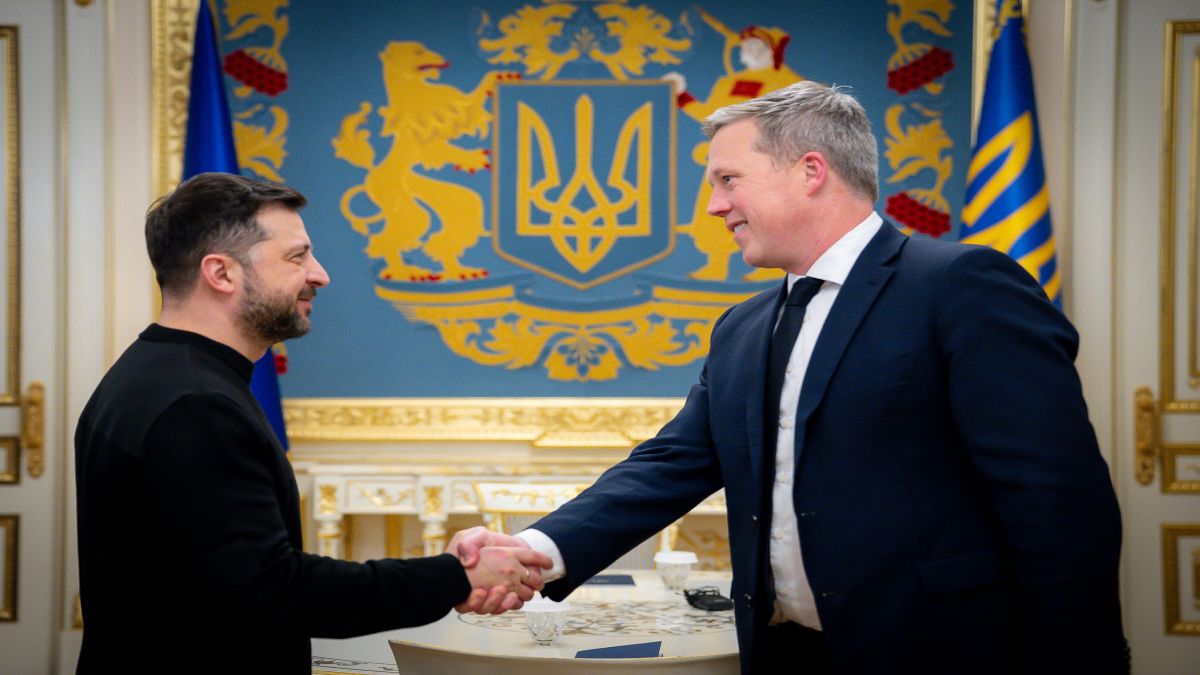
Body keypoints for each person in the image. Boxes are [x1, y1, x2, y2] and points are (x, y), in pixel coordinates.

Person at [450, 82, 1127, 673]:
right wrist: (535, 548)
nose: (714, 206)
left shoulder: (960, 287)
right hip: (783, 656)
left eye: (727, 179)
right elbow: (670, 464)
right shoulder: (744, 327)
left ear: (810, 170)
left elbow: (1058, 506)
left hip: (941, 652)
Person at [74, 172, 550, 674]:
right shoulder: (195, 406)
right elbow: (273, 590)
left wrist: (450, 571)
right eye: (297, 257)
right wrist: (454, 577)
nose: (319, 275)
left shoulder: (152, 373)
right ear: (221, 273)